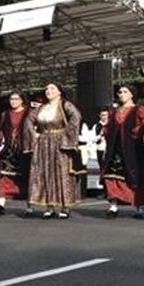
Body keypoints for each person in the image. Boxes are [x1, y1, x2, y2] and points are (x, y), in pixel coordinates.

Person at [24, 83, 85, 219]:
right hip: (44, 143)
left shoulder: (65, 105)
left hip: (60, 143)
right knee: (44, 173)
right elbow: (28, 120)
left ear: (59, 92)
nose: (48, 91)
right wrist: (34, 135)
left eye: (52, 89)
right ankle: (49, 206)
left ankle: (65, 206)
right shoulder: (41, 108)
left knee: (61, 173)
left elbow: (76, 117)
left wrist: (66, 135)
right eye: (46, 89)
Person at [102, 85, 144, 218]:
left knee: (136, 176)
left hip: (133, 147)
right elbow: (109, 128)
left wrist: (141, 134)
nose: (121, 94)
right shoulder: (114, 111)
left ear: (132, 94)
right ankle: (113, 205)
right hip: (116, 147)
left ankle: (139, 206)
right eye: (120, 92)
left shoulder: (139, 109)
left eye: (125, 92)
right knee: (112, 174)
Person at [0, 92, 29, 215]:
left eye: (16, 99)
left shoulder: (29, 113)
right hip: (9, 149)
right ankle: (1, 203)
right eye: (11, 99)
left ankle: (29, 206)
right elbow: (1, 129)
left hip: (24, 149)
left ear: (22, 100)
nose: (13, 101)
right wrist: (1, 137)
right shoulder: (5, 114)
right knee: (4, 175)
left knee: (25, 177)